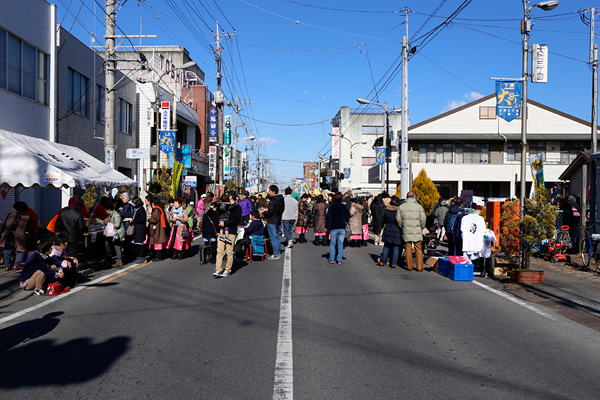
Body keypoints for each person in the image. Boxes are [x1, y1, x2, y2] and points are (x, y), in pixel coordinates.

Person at [0, 201, 37, 271]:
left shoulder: (11, 214)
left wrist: (1, 233)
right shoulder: (26, 217)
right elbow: (31, 229)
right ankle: (17, 265)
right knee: (20, 250)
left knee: (7, 250)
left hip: (7, 235)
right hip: (19, 236)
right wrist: (36, 238)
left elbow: (4, 225)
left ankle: (7, 266)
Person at [396, 191, 427, 272]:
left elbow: (398, 219)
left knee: (408, 248)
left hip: (406, 229)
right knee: (418, 248)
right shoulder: (419, 207)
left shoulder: (401, 207)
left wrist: (402, 226)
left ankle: (410, 266)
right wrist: (421, 227)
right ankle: (419, 267)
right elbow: (423, 219)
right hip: (417, 229)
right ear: (414, 197)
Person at [213, 192, 241, 278]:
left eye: (227, 195)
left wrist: (225, 223)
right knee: (220, 250)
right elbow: (216, 217)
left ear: (231, 197)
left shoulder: (237, 207)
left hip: (231, 231)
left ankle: (228, 269)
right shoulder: (220, 206)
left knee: (229, 251)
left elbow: (236, 220)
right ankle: (218, 269)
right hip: (221, 231)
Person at [377, 196, 402, 268]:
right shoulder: (398, 211)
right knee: (396, 246)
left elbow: (383, 220)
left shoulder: (386, 210)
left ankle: (382, 260)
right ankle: (394, 263)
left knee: (386, 246)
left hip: (388, 228)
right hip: (397, 229)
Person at [326, 192, 350, 264]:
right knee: (340, 244)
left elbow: (328, 217)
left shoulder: (331, 207)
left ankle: (332, 259)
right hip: (342, 227)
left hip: (333, 227)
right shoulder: (344, 206)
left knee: (332, 244)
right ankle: (339, 259)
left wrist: (328, 226)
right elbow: (348, 216)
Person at [262, 185, 285, 260]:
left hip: (272, 220)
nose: (269, 192)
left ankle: (275, 253)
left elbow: (270, 212)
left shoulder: (273, 201)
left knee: (273, 237)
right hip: (278, 219)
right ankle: (277, 251)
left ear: (273, 191)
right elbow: (282, 210)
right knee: (277, 237)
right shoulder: (281, 200)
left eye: (270, 191)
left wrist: (264, 213)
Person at [125, 196, 147, 264]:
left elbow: (142, 220)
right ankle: (138, 257)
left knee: (140, 244)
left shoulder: (141, 210)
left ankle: (142, 257)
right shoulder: (137, 209)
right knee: (135, 243)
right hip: (136, 228)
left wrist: (133, 220)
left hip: (140, 229)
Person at [146, 196, 168, 262]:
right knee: (157, 243)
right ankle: (158, 256)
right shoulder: (159, 209)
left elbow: (155, 219)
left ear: (153, 203)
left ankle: (158, 257)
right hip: (159, 228)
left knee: (157, 243)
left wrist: (149, 219)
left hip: (157, 229)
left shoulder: (156, 210)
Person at [104, 202, 126, 267]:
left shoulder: (115, 215)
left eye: (106, 209)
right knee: (108, 243)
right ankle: (113, 258)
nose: (105, 211)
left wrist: (108, 223)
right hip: (115, 233)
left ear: (108, 209)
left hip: (118, 233)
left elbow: (117, 225)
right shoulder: (111, 215)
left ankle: (119, 260)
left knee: (117, 246)